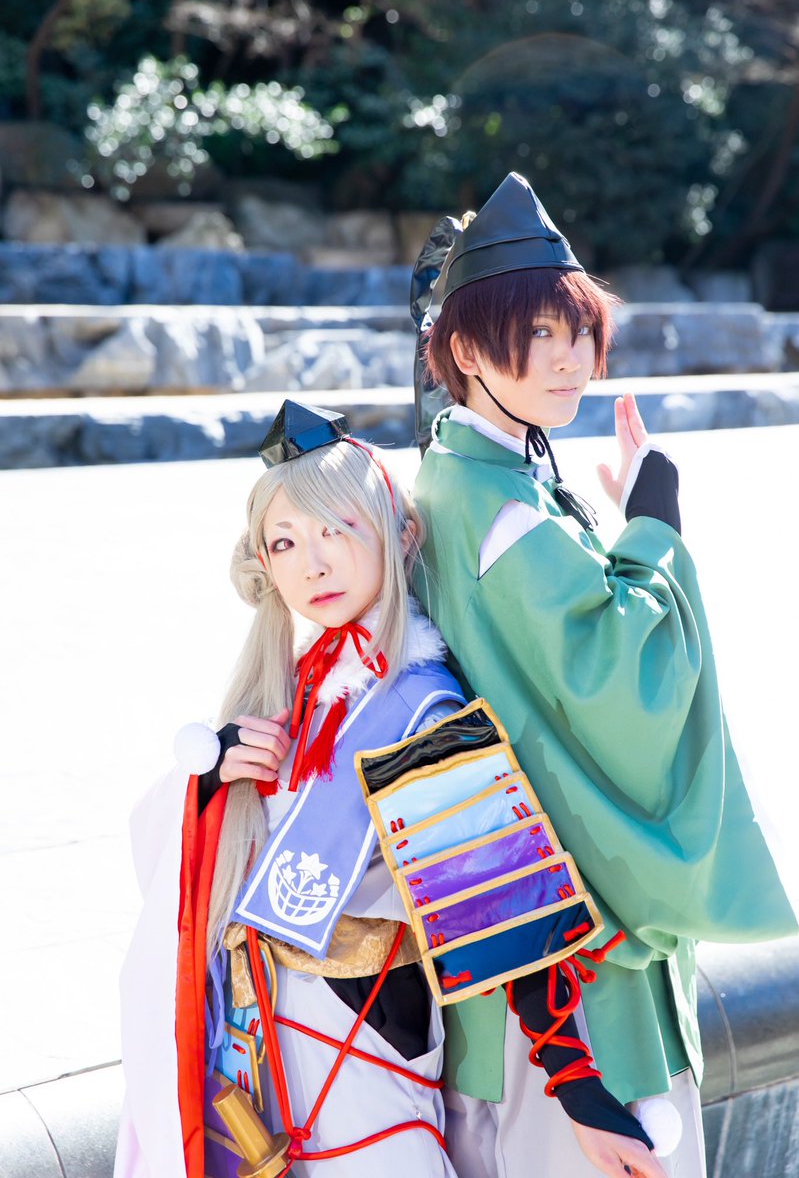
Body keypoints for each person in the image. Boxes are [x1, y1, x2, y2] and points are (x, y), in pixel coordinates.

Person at [114, 399, 666, 1178]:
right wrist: (209, 781)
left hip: (363, 1050)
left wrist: (579, 1089)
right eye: (285, 541)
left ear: (400, 534)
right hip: (256, 1048)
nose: (313, 563)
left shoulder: (420, 705)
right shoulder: (291, 685)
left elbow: (496, 906)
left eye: (337, 528)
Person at [410, 172, 797, 1178]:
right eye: (536, 333)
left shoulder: (479, 474)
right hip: (572, 956)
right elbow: (631, 684)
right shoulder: (500, 509)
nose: (569, 359)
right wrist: (655, 522)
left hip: (531, 928)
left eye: (580, 332)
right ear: (464, 351)